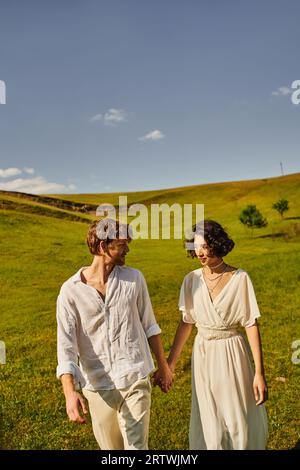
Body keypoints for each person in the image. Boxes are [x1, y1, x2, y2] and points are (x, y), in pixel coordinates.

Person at [56, 218, 173, 450]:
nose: (127, 248)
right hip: (98, 386)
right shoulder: (70, 292)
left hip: (135, 376)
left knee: (137, 448)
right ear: (102, 246)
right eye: (121, 244)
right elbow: (66, 347)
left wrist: (163, 366)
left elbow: (149, 325)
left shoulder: (134, 278)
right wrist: (70, 393)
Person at [164, 220, 268, 450]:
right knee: (209, 415)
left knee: (236, 414)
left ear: (217, 244)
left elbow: (251, 324)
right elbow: (186, 323)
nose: (199, 251)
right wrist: (170, 363)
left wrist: (259, 373)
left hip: (232, 353)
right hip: (203, 354)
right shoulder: (191, 280)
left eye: (205, 246)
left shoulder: (240, 278)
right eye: (196, 246)